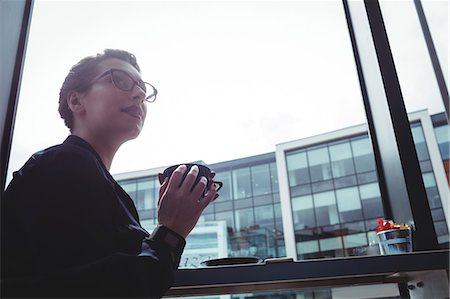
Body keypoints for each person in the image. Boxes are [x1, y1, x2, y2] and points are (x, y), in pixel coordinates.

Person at [1, 49, 218, 298]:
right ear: (76, 101)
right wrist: (171, 230)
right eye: (121, 80)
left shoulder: (89, 177)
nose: (139, 94)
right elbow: (104, 288)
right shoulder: (63, 164)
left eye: (143, 91)